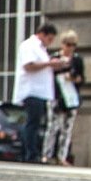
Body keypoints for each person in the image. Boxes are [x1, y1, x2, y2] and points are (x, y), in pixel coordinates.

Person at [13, 21, 65, 163]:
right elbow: (29, 65)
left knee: (35, 123)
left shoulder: (41, 49)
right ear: (42, 34)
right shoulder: (29, 45)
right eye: (49, 39)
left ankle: (30, 152)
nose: (50, 42)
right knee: (32, 123)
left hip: (40, 92)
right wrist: (49, 63)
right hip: (32, 90)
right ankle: (30, 154)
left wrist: (54, 65)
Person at [42, 29, 84, 165]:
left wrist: (74, 78)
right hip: (56, 96)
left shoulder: (77, 60)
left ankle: (62, 156)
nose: (70, 48)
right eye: (68, 44)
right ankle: (47, 154)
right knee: (53, 126)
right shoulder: (54, 58)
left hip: (71, 97)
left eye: (73, 45)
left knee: (67, 128)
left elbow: (81, 78)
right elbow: (48, 76)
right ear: (62, 44)